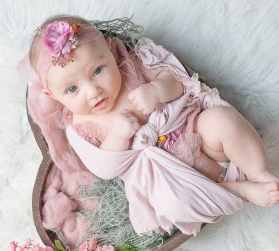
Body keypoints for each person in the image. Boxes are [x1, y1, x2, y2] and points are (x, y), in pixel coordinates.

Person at [26, 15, 279, 237]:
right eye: (72, 89)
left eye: (98, 70)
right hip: (161, 179)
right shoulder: (78, 127)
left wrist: (158, 90)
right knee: (171, 205)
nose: (93, 91)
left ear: (111, 50)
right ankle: (240, 190)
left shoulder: (134, 66)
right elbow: (103, 168)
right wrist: (118, 136)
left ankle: (257, 172)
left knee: (221, 120)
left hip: (195, 133)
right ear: (52, 95)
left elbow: (179, 82)